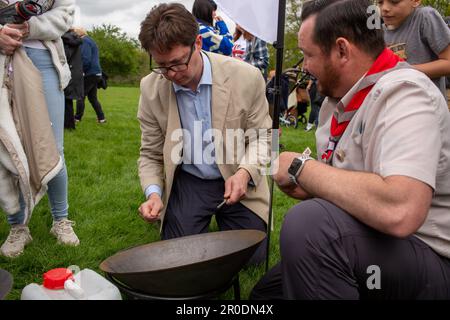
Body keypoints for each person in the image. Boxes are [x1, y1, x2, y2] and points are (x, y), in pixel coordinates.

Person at [251, 0, 450, 299]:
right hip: (376, 243)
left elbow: (401, 209)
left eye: (308, 55)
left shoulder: (407, 92)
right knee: (266, 296)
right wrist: (311, 186)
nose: (305, 67)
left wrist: (301, 168)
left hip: (428, 256)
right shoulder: (336, 102)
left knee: (310, 226)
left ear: (342, 50)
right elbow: (356, 186)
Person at [137, 3, 272, 265]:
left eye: (178, 63)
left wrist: (245, 173)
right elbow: (150, 153)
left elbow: (266, 138)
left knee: (252, 258)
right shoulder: (151, 88)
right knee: (180, 257)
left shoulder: (247, 76)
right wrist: (153, 194)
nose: (172, 74)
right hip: (191, 181)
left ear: (197, 43)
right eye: (163, 66)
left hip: (237, 174)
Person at [1, 0, 80, 258]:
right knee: (7, 150)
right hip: (2, 60)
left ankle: (61, 220)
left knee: (53, 148)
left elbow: (65, 14)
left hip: (44, 61)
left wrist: (29, 27)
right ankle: (18, 227)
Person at [379, 0, 450, 100]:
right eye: (380, 2)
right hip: (397, 105)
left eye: (394, 2)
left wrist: (402, 71)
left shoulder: (424, 17)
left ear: (415, 1)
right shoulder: (379, 33)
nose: (384, 8)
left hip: (427, 105)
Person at [74, 28, 106, 123]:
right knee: (92, 98)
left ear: (79, 33)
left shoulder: (84, 41)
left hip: (90, 73)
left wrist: (81, 70)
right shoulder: (90, 40)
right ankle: (102, 119)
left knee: (80, 95)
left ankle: (77, 118)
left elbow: (86, 58)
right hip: (96, 73)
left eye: (74, 33)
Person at [62, 28, 83, 130]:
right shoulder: (74, 39)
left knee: (66, 99)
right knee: (68, 99)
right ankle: (69, 125)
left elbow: (65, 56)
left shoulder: (65, 40)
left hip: (69, 72)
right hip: (75, 72)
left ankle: (68, 125)